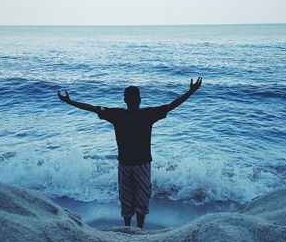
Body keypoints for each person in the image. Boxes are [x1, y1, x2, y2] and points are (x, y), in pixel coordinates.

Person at [57, 77, 202, 229]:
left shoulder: (116, 114)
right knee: (142, 197)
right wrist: (191, 91)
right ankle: (139, 228)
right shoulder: (147, 114)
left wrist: (69, 102)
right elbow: (172, 105)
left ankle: (127, 227)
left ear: (125, 100)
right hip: (142, 164)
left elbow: (92, 108)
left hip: (125, 164)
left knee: (126, 197)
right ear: (139, 99)